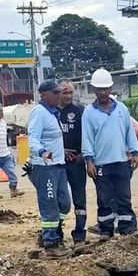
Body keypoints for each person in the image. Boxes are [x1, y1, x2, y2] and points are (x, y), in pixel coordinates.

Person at [82, 68, 138, 238]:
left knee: (124, 198)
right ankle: (106, 230)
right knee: (104, 200)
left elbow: (130, 132)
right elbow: (87, 138)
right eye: (99, 89)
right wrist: (89, 161)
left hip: (121, 162)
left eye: (106, 88)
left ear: (111, 88)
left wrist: (135, 152)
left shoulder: (121, 109)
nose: (103, 92)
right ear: (94, 90)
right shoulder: (89, 113)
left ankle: (127, 229)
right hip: (101, 164)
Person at [27, 79, 72, 257]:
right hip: (44, 168)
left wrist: (61, 150)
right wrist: (42, 151)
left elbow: (51, 138)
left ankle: (51, 233)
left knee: (65, 205)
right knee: (49, 206)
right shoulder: (39, 113)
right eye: (55, 92)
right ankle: (50, 244)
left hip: (58, 166)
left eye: (59, 92)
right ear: (44, 95)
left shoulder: (53, 112)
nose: (59, 95)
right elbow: (33, 137)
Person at [57, 79, 87, 243]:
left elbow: (88, 134)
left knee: (79, 198)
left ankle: (80, 234)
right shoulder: (51, 112)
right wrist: (60, 152)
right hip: (57, 163)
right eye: (64, 92)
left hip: (76, 162)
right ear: (57, 92)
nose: (68, 96)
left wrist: (84, 154)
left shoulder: (80, 111)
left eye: (70, 92)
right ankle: (57, 232)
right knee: (59, 200)